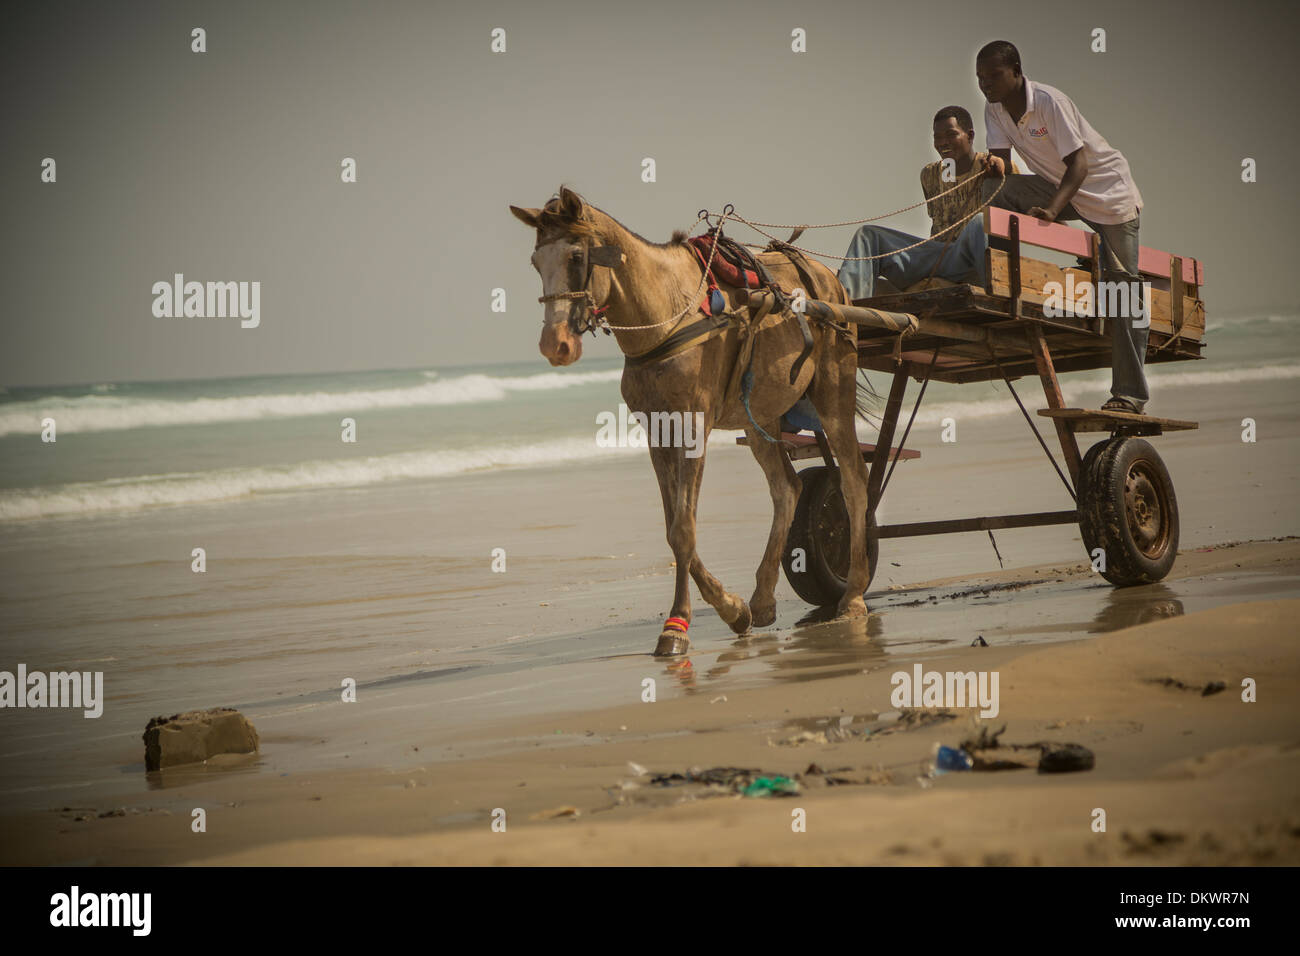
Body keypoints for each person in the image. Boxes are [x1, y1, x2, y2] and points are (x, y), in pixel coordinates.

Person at [976, 40, 1149, 414]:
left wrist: (1052, 211)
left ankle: (1130, 395)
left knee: (1123, 291)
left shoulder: (1049, 102)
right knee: (991, 189)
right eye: (979, 77)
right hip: (1058, 187)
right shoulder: (995, 109)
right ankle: (1001, 277)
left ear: (1017, 71)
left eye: (993, 75)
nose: (986, 83)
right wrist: (991, 168)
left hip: (1107, 195)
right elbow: (1003, 167)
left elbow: (1080, 166)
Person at [838, 106, 1008, 301]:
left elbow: (1007, 178)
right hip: (937, 256)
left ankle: (997, 295)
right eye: (938, 137)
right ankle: (847, 310)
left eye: (951, 135)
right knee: (868, 235)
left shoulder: (989, 167)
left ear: (970, 136)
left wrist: (1002, 165)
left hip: (969, 258)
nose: (943, 143)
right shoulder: (929, 175)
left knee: (980, 222)